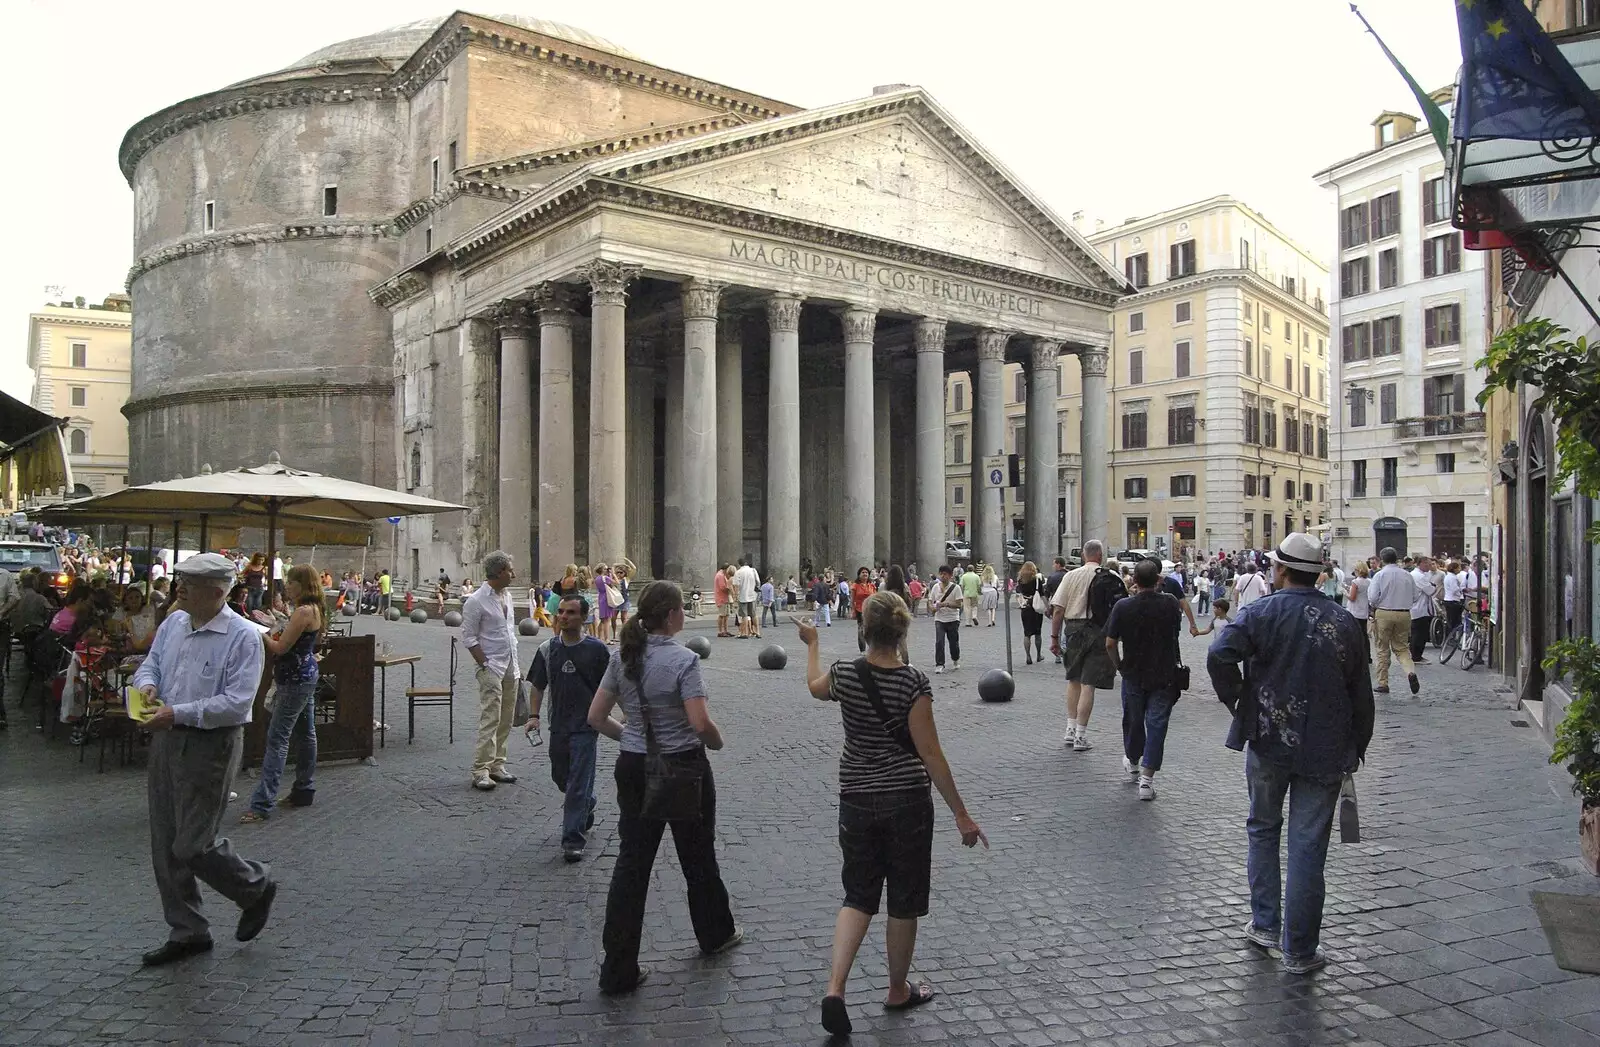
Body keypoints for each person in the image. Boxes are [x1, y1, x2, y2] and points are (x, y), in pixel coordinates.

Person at [798, 592, 987, 1037]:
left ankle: (835, 988)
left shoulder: (844, 673)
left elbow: (813, 687)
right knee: (903, 899)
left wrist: (812, 644)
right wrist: (962, 814)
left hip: (857, 799)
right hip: (907, 801)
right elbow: (930, 753)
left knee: (858, 895)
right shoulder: (914, 683)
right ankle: (898, 990)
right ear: (902, 632)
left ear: (863, 629)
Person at [1207, 533, 1374, 975]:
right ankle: (1299, 950)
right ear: (1319, 573)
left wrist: (1240, 703)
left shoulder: (1260, 613)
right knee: (1307, 845)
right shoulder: (1343, 622)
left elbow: (1219, 654)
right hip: (1326, 745)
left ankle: (1265, 925)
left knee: (1262, 829)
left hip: (1267, 739)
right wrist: (1357, 745)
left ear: (1280, 570)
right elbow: (1361, 692)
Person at [587, 581, 740, 993]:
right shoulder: (685, 660)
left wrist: (634, 739)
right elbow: (700, 723)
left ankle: (618, 969)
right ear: (672, 615)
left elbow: (597, 717)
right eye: (681, 610)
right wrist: (718, 741)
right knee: (698, 857)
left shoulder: (622, 657)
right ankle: (715, 934)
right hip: (683, 768)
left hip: (634, 766)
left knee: (631, 867)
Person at [130, 553, 277, 966]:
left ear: (216, 593)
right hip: (166, 736)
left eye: (188, 585)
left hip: (210, 744)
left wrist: (176, 712)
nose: (179, 589)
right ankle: (188, 929)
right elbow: (152, 665)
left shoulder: (245, 637)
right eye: (180, 581)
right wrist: (147, 687)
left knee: (193, 843)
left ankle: (254, 885)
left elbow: (235, 704)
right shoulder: (175, 622)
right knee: (165, 842)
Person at [527, 595, 610, 861]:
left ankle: (572, 840)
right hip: (558, 725)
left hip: (587, 726)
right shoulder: (547, 649)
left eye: (570, 612)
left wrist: (626, 713)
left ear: (584, 617)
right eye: (561, 611)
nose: (563, 616)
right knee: (562, 778)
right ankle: (588, 802)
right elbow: (538, 685)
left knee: (576, 784)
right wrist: (533, 716)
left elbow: (611, 686)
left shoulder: (597, 650)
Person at [243, 564, 324, 822]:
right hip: (306, 675)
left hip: (294, 679)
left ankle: (262, 803)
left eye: (291, 582)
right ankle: (303, 789)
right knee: (306, 733)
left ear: (302, 584)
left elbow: (280, 648)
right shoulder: (314, 609)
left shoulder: (303, 611)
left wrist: (259, 632)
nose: (287, 586)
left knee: (278, 739)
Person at [1104, 560, 1183, 801]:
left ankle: (1133, 759)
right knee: (1157, 724)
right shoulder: (1169, 603)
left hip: (1134, 672)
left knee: (1134, 720)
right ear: (1158, 579)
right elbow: (1175, 630)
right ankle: (1147, 781)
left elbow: (1109, 643)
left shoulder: (1123, 606)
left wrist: (1119, 666)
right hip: (1164, 673)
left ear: (1134, 581)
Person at [1049, 539, 1122, 751]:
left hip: (1073, 630)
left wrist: (1054, 638)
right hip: (1100, 631)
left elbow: (1058, 610)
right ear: (1100, 555)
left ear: (1084, 555)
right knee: (1088, 684)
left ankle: (1070, 730)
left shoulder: (1071, 576)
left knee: (1073, 680)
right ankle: (1081, 735)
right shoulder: (1113, 576)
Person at [462, 551, 521, 791]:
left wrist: (517, 665)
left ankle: (498, 764)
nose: (513, 574)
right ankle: (481, 769)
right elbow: (468, 637)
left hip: (510, 665)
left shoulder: (506, 596)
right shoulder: (476, 600)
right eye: (509, 570)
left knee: (506, 717)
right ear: (498, 573)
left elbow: (509, 633)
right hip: (491, 666)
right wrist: (484, 664)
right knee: (491, 717)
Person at [1366, 550, 1417, 696]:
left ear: (1382, 560)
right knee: (1402, 648)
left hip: (1384, 613)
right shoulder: (1407, 575)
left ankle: (1383, 683)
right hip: (1404, 613)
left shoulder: (1380, 575)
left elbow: (1373, 597)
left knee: (1382, 648)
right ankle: (1410, 672)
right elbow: (1415, 596)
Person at [1409, 555, 1439, 665]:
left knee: (1418, 633)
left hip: (1419, 608)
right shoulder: (1418, 576)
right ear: (1421, 563)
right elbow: (1430, 590)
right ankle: (1416, 656)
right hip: (1419, 608)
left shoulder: (1418, 574)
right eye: (1428, 564)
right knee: (1419, 634)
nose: (1430, 566)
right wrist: (1434, 586)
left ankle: (1416, 655)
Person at [1016, 561, 1044, 665]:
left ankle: (1028, 656)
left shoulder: (1020, 580)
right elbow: (1042, 594)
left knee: (1027, 633)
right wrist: (1048, 606)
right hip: (1036, 608)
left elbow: (1018, 592)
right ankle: (1038, 654)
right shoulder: (1036, 579)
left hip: (1025, 608)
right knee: (1038, 633)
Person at [850, 567, 876, 653]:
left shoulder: (872, 585)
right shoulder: (855, 586)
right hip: (859, 609)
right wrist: (853, 611)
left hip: (871, 609)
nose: (865, 574)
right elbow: (852, 599)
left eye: (866, 573)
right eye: (863, 572)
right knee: (861, 629)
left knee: (871, 629)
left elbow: (875, 597)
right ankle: (862, 649)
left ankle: (872, 648)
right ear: (859, 575)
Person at [734, 557, 761, 639]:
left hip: (743, 596)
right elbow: (758, 582)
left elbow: (736, 585)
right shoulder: (753, 570)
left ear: (739, 564)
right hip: (752, 595)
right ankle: (757, 632)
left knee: (744, 615)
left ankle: (745, 633)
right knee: (754, 614)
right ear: (746, 563)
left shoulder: (738, 572)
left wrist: (736, 596)